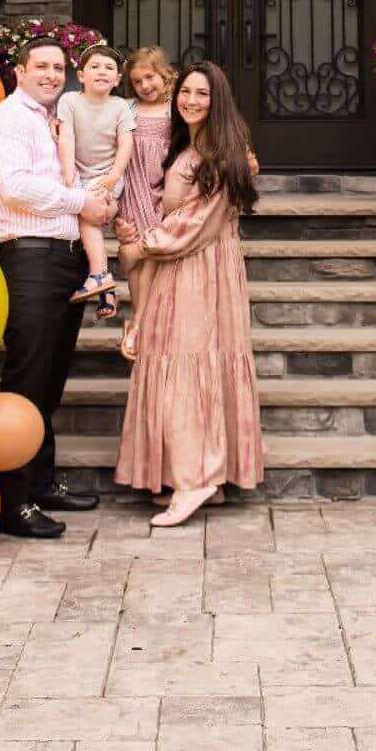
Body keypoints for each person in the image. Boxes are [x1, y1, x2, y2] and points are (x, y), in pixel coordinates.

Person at [114, 61, 263, 528]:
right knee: (183, 364)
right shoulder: (189, 146)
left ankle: (196, 478)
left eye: (202, 94)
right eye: (186, 92)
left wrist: (142, 246)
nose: (192, 101)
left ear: (217, 101)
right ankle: (201, 477)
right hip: (179, 268)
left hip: (202, 268)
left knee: (191, 365)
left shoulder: (223, 152)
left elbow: (198, 222)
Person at [0, 36, 114, 539]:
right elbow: (14, 187)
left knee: (51, 377)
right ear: (19, 71)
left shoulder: (55, 121)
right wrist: (80, 201)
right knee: (27, 375)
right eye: (42, 66)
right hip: (31, 257)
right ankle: (13, 502)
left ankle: (41, 482)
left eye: (59, 67)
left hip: (65, 258)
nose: (52, 75)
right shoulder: (7, 119)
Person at [57, 45, 136, 317]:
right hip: (80, 174)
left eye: (109, 68)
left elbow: (126, 144)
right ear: (81, 75)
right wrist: (68, 171)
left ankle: (100, 276)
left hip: (107, 176)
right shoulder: (69, 101)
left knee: (87, 214)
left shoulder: (120, 107)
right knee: (87, 218)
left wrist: (113, 177)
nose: (102, 71)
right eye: (95, 66)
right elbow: (66, 136)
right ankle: (105, 288)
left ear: (117, 79)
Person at [117, 45, 176, 314]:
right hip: (133, 191)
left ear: (164, 74)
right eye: (137, 81)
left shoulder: (174, 109)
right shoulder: (126, 108)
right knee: (134, 255)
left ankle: (151, 322)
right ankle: (139, 321)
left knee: (157, 255)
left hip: (163, 193)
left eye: (150, 77)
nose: (144, 85)